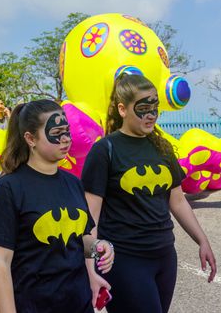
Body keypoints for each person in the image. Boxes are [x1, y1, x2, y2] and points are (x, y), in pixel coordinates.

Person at [82, 74, 217, 313]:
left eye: (154, 107)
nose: (151, 114)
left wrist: (202, 240)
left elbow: (177, 201)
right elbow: (90, 215)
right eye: (143, 108)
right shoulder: (105, 151)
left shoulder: (162, 147)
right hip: (125, 259)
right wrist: (90, 264)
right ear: (122, 109)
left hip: (164, 256)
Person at [0, 99, 114, 313]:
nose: (65, 139)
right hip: (35, 304)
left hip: (78, 301)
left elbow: (81, 237)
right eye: (56, 132)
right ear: (30, 138)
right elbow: (0, 260)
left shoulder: (73, 183)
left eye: (67, 131)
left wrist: (98, 247)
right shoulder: (10, 187)